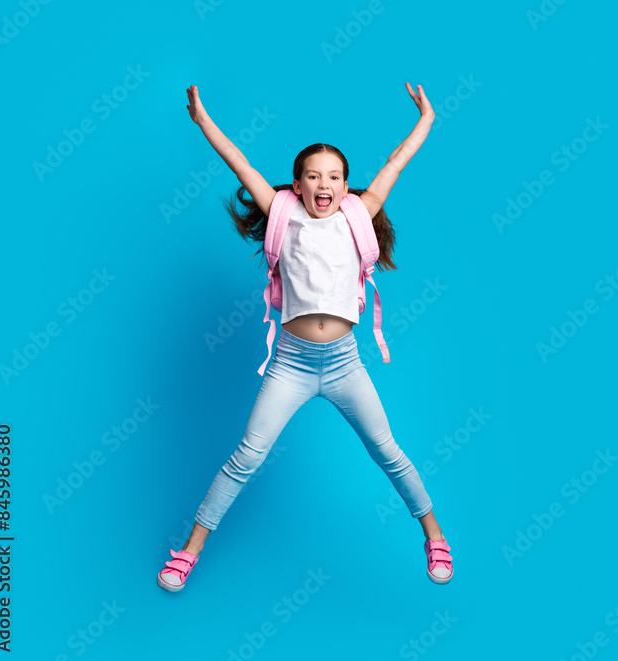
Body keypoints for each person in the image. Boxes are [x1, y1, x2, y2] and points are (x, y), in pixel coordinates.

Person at [157, 83, 452, 592]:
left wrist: (426, 119)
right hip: (291, 365)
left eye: (334, 177)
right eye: (313, 175)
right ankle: (189, 551)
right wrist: (203, 120)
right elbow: (237, 161)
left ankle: (435, 536)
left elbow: (396, 163)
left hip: (344, 364)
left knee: (387, 450)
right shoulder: (281, 213)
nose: (324, 183)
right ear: (297, 184)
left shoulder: (359, 216)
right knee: (246, 456)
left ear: (346, 186)